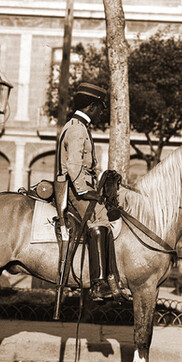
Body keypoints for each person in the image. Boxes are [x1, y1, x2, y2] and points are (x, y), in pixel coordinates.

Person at [54, 82, 119, 301]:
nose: (101, 112)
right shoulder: (75, 129)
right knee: (98, 221)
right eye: (100, 107)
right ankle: (98, 285)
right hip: (74, 189)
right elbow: (74, 167)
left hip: (82, 185)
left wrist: (104, 179)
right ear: (91, 107)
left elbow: (90, 165)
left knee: (107, 218)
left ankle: (112, 279)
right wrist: (85, 192)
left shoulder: (80, 127)